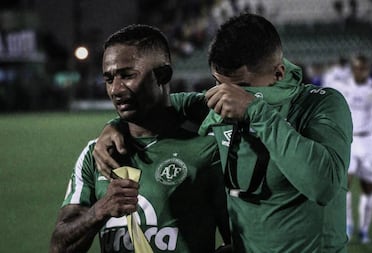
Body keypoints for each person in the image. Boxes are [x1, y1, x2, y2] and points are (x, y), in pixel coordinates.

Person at [94, 14, 353, 252]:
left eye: (241, 87)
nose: (229, 97)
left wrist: (256, 111)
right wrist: (114, 126)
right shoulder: (219, 105)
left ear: (279, 73)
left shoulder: (320, 105)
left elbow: (323, 185)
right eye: (220, 85)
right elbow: (157, 106)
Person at [50, 24, 230, 253]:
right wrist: (99, 210)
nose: (115, 89)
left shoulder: (208, 150)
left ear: (163, 75)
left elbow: (238, 241)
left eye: (127, 75)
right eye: (108, 78)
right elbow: (58, 247)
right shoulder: (97, 153)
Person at [327, 55, 372, 244]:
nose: (360, 72)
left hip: (369, 141)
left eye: (364, 68)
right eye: (357, 68)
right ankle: (348, 224)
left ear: (368, 69)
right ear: (352, 69)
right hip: (350, 141)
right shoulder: (342, 85)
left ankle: (364, 229)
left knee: (368, 188)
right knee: (345, 185)